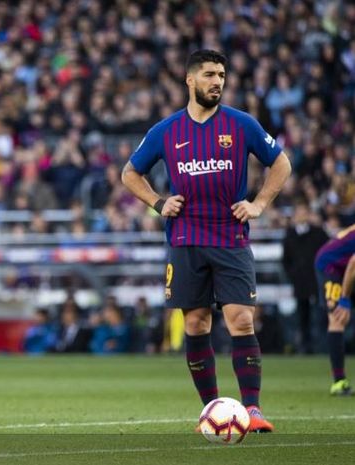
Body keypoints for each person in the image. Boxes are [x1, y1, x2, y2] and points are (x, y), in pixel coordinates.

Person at [121, 49, 292, 432]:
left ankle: (253, 410)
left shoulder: (241, 124)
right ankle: (211, 409)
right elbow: (130, 173)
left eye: (222, 75)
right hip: (185, 240)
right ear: (190, 79)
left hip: (230, 237)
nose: (218, 81)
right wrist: (158, 202)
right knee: (196, 324)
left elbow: (281, 163)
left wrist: (259, 203)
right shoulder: (166, 131)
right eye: (210, 74)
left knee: (241, 320)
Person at [281, 201, 329, 353]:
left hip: (317, 279)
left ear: (308, 214)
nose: (302, 216)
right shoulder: (290, 234)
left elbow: (327, 253)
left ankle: (321, 346)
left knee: (320, 314)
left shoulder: (319, 232)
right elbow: (285, 259)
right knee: (302, 314)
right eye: (299, 212)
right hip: (300, 281)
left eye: (304, 212)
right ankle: (305, 345)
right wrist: (293, 274)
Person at [314, 224, 355, 396]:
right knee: (338, 318)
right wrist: (344, 300)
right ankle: (339, 382)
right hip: (331, 266)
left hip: (347, 267)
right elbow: (353, 264)